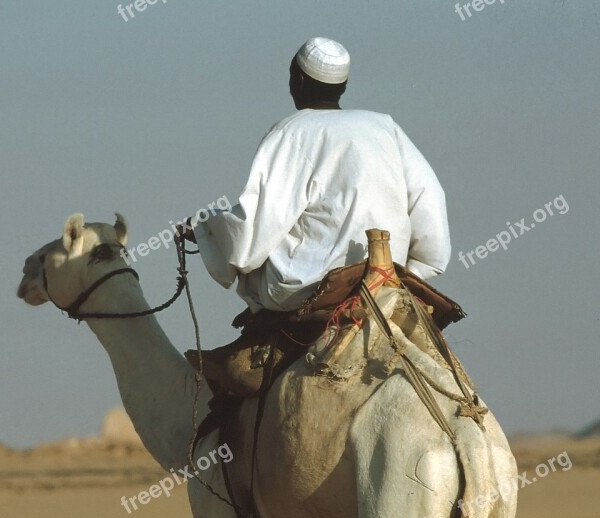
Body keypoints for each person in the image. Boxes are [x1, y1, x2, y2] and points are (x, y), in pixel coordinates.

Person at [179, 37, 450, 316]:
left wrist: (204, 228)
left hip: (306, 287)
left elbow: (258, 226)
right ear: (343, 86)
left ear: (298, 81)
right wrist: (416, 270)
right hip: (387, 279)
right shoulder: (384, 126)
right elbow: (429, 197)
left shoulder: (290, 132)